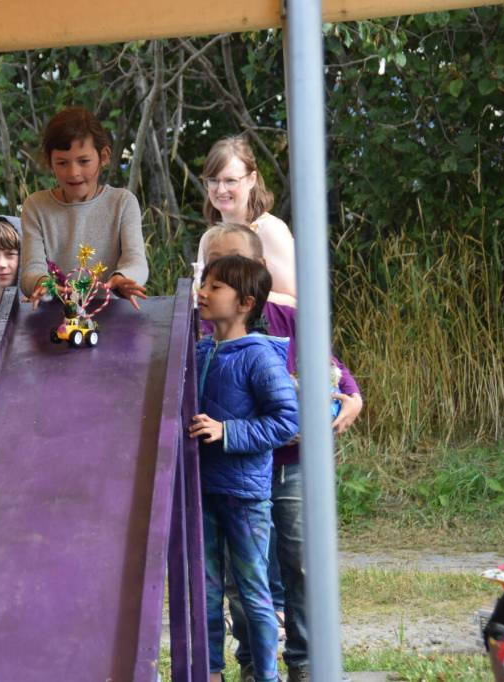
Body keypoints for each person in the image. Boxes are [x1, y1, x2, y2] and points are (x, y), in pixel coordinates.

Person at [200, 223, 363, 682]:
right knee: (238, 579)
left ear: (258, 273)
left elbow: (334, 375)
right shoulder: (203, 332)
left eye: (229, 267)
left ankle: (305, 662)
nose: (214, 278)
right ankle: (251, 663)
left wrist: (351, 397)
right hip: (227, 474)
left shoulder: (286, 321)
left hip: (288, 466)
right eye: (210, 267)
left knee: (297, 563)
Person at [190, 254, 299, 682]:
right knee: (206, 591)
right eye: (205, 283)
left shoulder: (260, 357)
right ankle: (210, 673)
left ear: (245, 303)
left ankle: (266, 676)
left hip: (246, 496)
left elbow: (287, 421)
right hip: (203, 490)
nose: (203, 292)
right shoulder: (199, 351)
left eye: (216, 287)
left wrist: (227, 432)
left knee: (254, 594)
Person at [21, 107, 148, 308]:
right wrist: (41, 284)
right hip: (55, 317)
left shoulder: (123, 202)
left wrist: (124, 278)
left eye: (84, 161)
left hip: (114, 314)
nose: (73, 172)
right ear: (49, 161)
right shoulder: (36, 207)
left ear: (104, 156)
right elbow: (31, 269)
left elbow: (136, 261)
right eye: (62, 163)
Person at [196, 135, 295, 305]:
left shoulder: (270, 231)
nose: (221, 189)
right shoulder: (209, 237)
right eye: (213, 180)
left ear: (251, 179)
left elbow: (296, 303)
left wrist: (239, 293)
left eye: (230, 181)